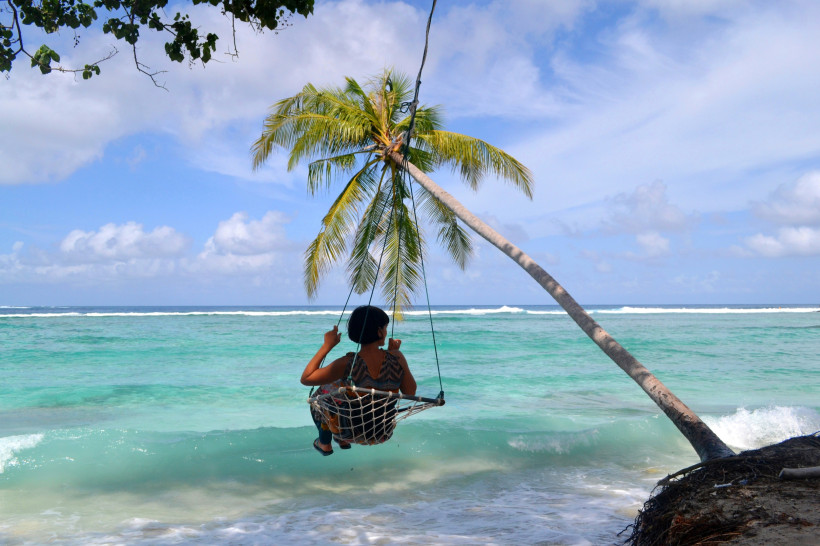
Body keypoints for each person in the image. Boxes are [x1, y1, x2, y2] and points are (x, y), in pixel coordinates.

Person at [301, 305, 416, 456]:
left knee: (321, 393)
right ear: (380, 331)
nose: (386, 332)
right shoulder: (397, 357)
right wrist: (394, 354)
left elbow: (306, 378)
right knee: (348, 387)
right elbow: (410, 392)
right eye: (385, 328)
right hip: (382, 432)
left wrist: (327, 346)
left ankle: (325, 443)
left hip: (349, 432)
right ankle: (339, 440)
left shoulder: (347, 363)